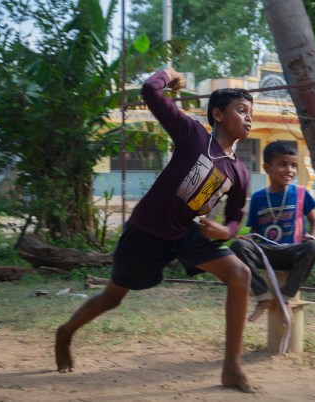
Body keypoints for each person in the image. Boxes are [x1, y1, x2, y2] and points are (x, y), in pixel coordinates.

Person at [54, 68, 259, 392]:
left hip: (190, 233)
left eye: (251, 113)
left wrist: (225, 231)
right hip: (147, 231)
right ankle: (65, 332)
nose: (248, 118)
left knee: (240, 274)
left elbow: (236, 216)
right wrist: (170, 74)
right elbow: (150, 91)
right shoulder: (192, 135)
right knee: (112, 298)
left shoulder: (240, 172)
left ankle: (231, 366)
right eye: (241, 110)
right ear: (217, 114)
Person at [230, 141, 315, 322]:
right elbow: (255, 230)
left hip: (292, 251)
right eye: (283, 164)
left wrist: (313, 236)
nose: (289, 170)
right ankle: (263, 297)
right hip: (267, 253)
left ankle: (285, 298)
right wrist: (247, 238)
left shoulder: (301, 193)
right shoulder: (258, 198)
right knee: (237, 245)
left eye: (293, 165)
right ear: (267, 167)